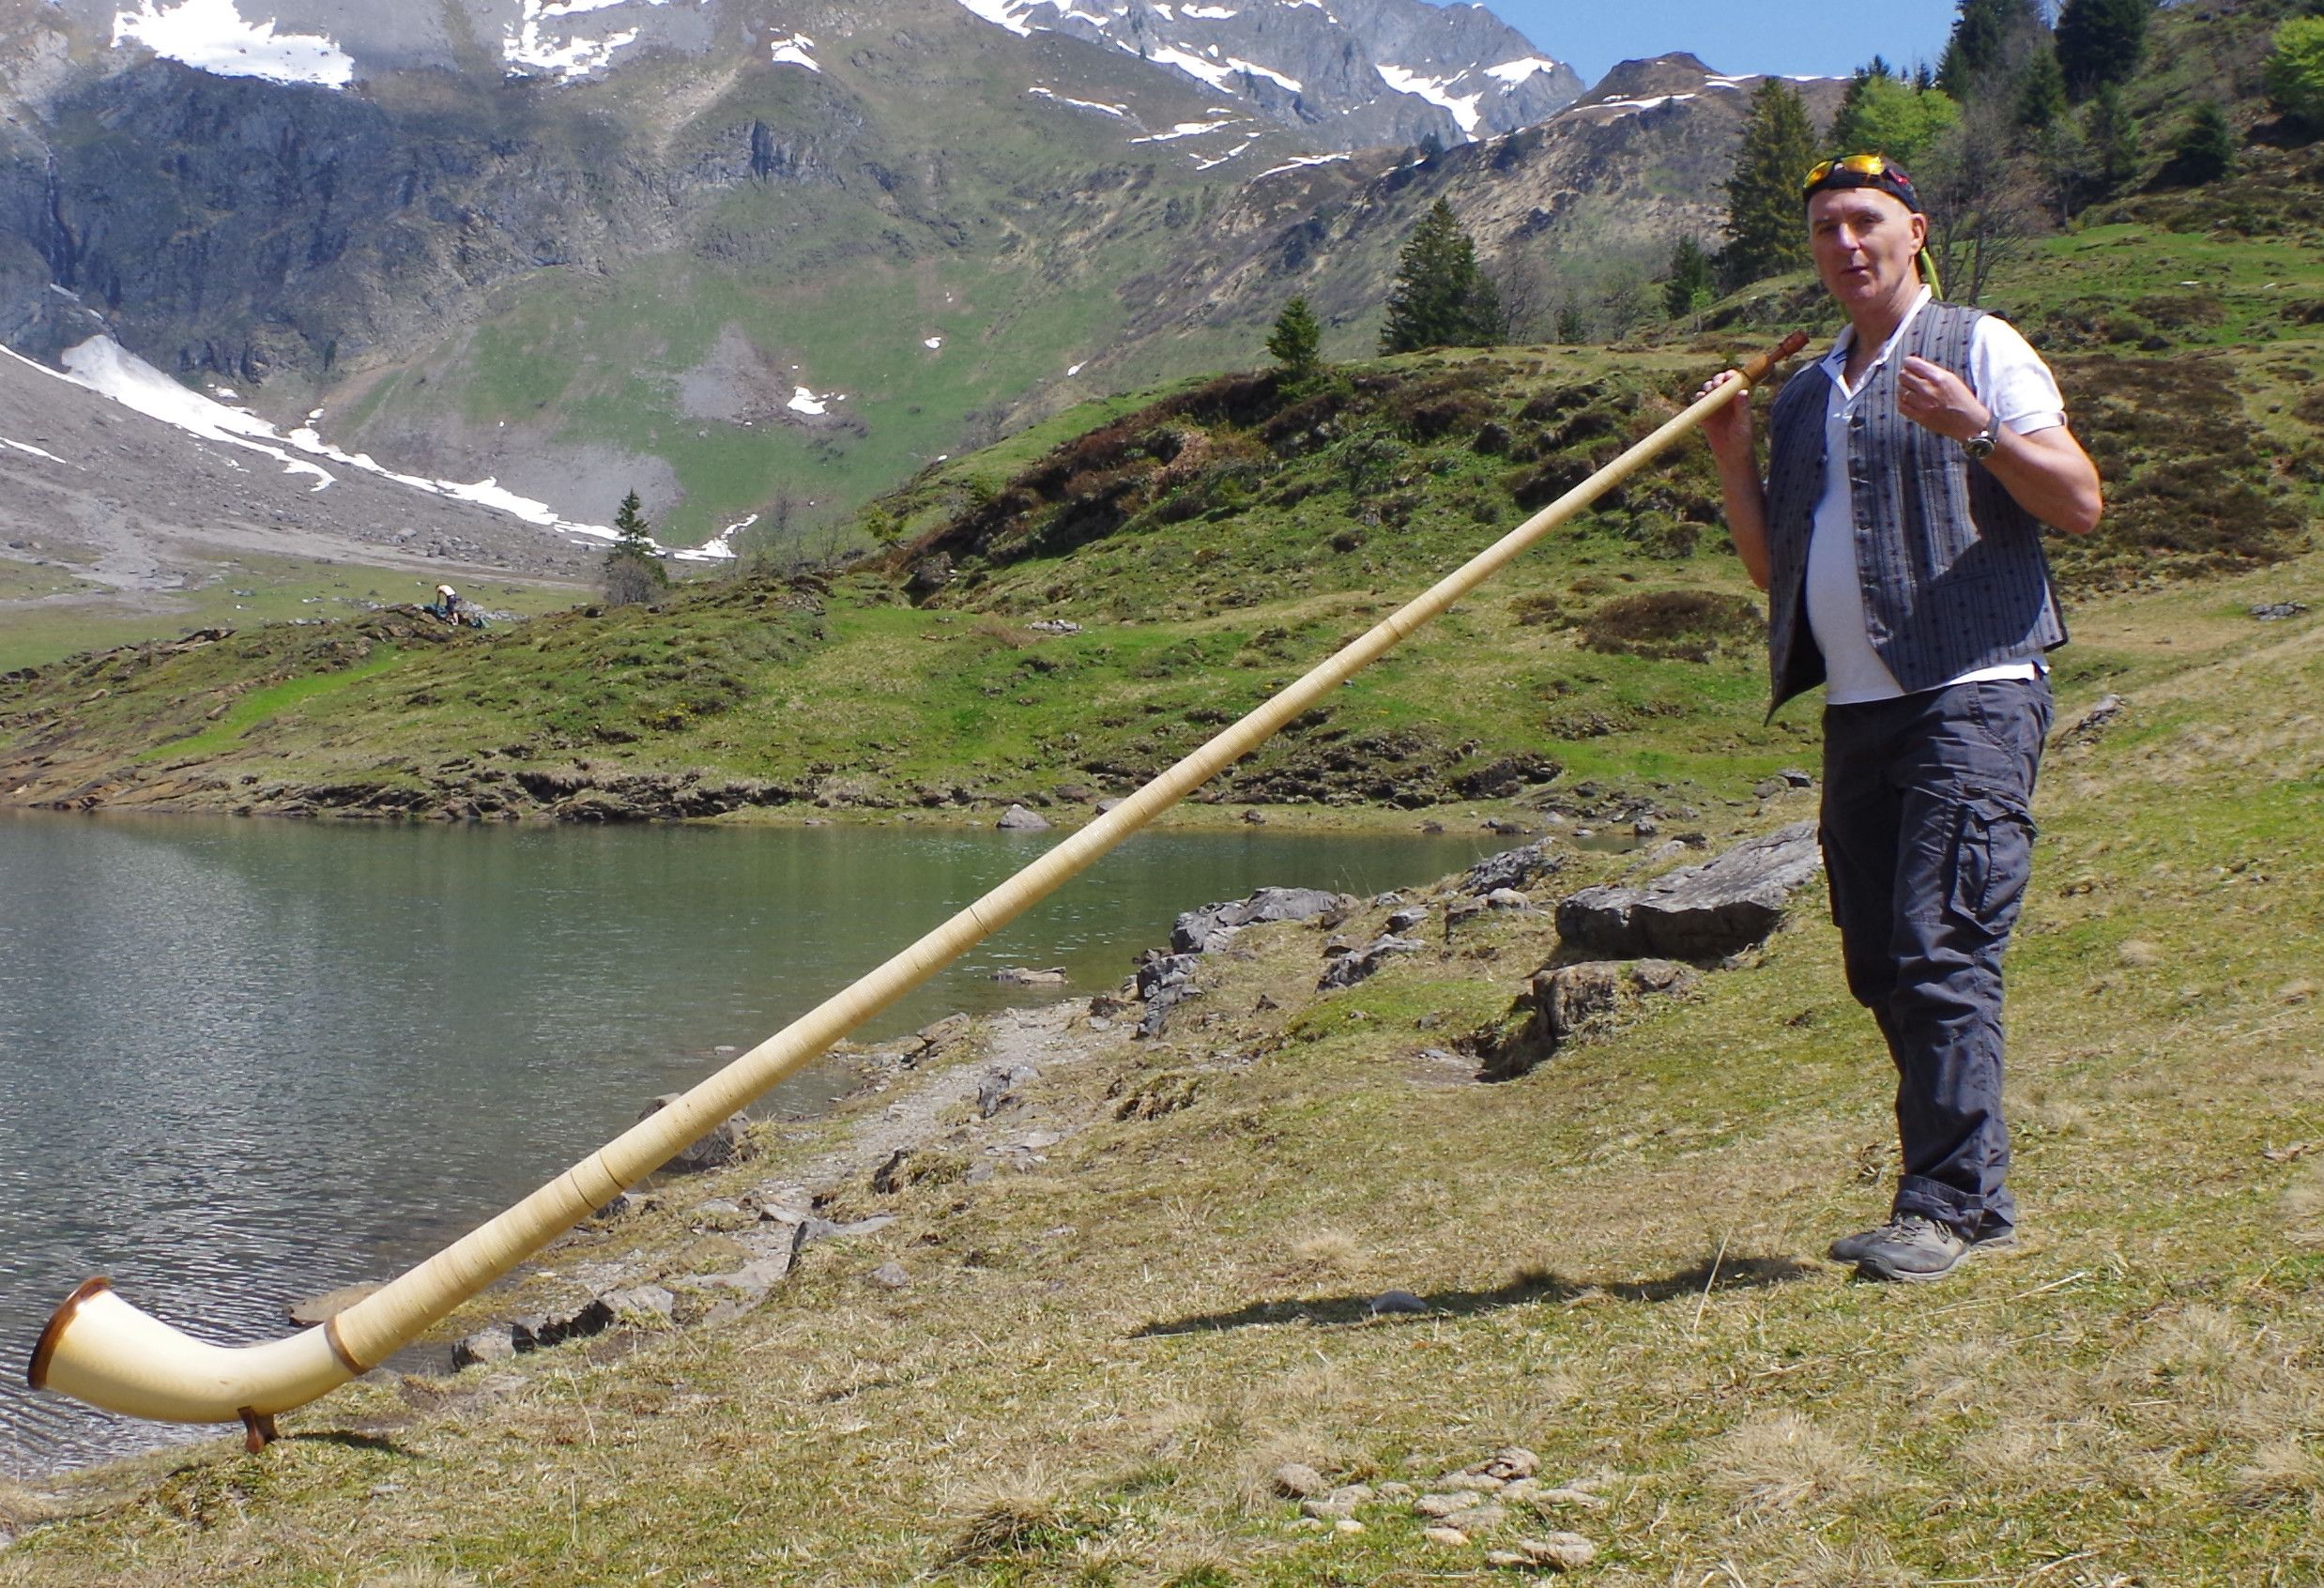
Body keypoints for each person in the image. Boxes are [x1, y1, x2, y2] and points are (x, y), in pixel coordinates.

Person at [1696, 154, 2102, 1283]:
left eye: (1866, 223)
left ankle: (1941, 1207)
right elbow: (1775, 571)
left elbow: (2077, 503)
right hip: (1859, 709)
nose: (1846, 246)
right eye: (1827, 229)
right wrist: (1734, 462)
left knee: (1942, 944)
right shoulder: (1803, 392)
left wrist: (1977, 431)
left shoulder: (1980, 345)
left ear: (1914, 231)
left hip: (1972, 689)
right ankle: (1975, 1195)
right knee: (1880, 959)